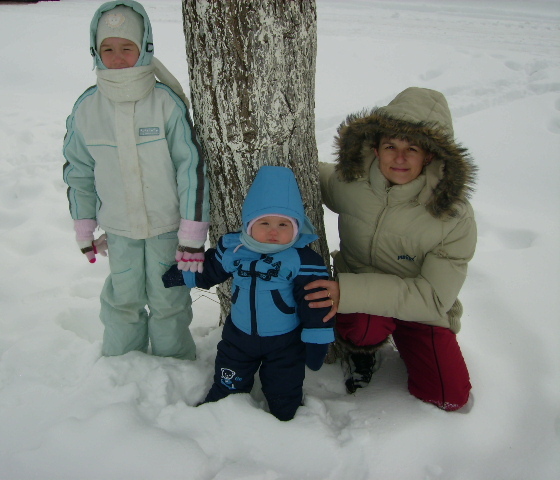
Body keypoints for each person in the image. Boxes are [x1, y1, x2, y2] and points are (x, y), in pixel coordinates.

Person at [305, 87, 478, 411]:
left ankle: (405, 341)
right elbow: (306, 171)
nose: (399, 158)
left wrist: (349, 292)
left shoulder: (452, 215)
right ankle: (360, 353)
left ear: (430, 154)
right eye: (391, 146)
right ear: (376, 147)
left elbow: (434, 298)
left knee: (447, 394)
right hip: (361, 308)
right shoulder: (350, 182)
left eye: (412, 148)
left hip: (419, 310)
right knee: (363, 326)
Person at [63, 1, 209, 360]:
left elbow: (191, 167)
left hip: (166, 228)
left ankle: (172, 365)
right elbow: (78, 170)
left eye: (126, 47)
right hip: (120, 230)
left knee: (169, 299)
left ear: (144, 47)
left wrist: (191, 236)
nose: (116, 57)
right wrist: (84, 228)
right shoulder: (87, 108)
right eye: (107, 49)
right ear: (95, 52)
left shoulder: (165, 103)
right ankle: (121, 363)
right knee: (123, 298)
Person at [162, 166, 335, 421]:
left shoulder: (302, 259)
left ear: (297, 226)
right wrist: (184, 274)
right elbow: (211, 270)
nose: (273, 231)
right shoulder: (235, 248)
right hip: (239, 337)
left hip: (285, 342)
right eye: (264, 222)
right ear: (249, 223)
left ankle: (285, 415)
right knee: (228, 378)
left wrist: (317, 338)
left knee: (284, 387)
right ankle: (220, 409)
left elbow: (315, 301)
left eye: (283, 224)